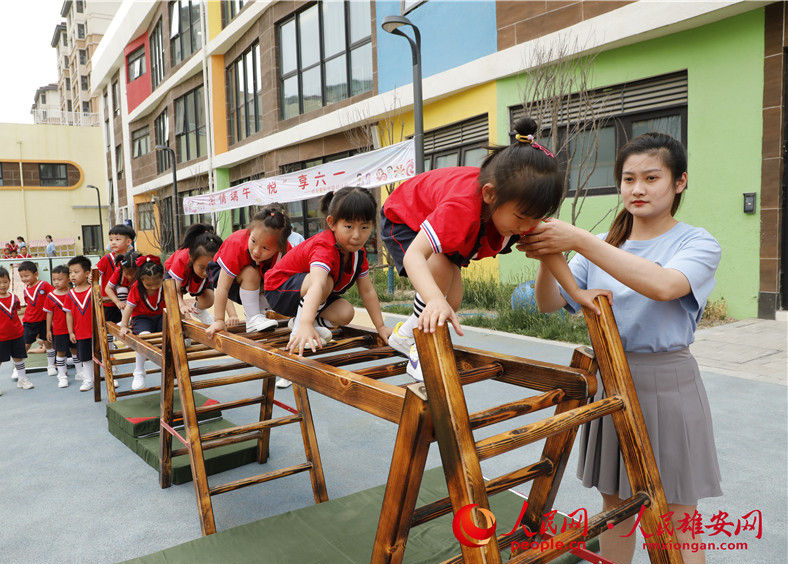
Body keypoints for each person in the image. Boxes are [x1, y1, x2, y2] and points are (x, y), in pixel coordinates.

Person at [522, 132, 722, 564]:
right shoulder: (601, 244)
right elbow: (550, 302)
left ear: (679, 182)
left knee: (674, 518)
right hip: (609, 383)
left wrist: (577, 239)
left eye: (652, 177)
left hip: (667, 385)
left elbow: (664, 285)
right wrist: (546, 252)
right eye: (628, 179)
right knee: (618, 512)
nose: (638, 188)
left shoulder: (697, 243)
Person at [380, 117, 608, 380]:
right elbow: (414, 255)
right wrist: (433, 300)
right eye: (522, 219)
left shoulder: (523, 209)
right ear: (489, 195)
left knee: (451, 300)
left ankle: (404, 335)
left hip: (455, 219)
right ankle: (423, 348)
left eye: (538, 217)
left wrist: (576, 292)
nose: (529, 227)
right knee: (440, 278)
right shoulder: (461, 208)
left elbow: (548, 248)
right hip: (406, 217)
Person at [264, 187, 393, 388]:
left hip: (310, 294)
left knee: (346, 312)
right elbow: (317, 283)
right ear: (332, 223)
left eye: (365, 227)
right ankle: (297, 335)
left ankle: (308, 321)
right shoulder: (325, 246)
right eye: (349, 227)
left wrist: (381, 326)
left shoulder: (358, 254)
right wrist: (305, 324)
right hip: (279, 289)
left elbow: (367, 291)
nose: (357, 235)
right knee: (325, 281)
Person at [205, 204, 292, 336]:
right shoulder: (236, 244)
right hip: (225, 276)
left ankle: (258, 312)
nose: (256, 251)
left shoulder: (285, 251)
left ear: (280, 248)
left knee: (280, 281)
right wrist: (218, 320)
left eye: (265, 248)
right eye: (253, 241)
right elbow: (222, 287)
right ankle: (253, 318)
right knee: (251, 273)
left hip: (260, 280)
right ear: (249, 231)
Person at [0, 267, 34, 396]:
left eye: (5, 282)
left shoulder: (14, 298)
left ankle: (22, 380)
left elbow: (15, 313)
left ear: (9, 281)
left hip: (16, 335)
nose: (2, 285)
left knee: (19, 358)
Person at [119, 255, 165, 390]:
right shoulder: (136, 287)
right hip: (142, 317)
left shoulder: (167, 285)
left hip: (161, 316)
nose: (152, 287)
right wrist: (123, 326)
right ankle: (139, 371)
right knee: (144, 337)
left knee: (167, 336)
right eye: (148, 284)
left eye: (157, 283)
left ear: (162, 277)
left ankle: (167, 366)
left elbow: (175, 305)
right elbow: (129, 308)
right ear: (141, 280)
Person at [164, 224, 223, 325]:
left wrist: (232, 315)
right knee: (177, 306)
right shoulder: (182, 259)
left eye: (209, 268)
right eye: (202, 267)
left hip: (195, 275)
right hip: (175, 279)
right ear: (192, 258)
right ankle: (183, 330)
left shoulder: (214, 263)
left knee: (209, 299)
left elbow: (223, 289)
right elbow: (176, 291)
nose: (205, 272)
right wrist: (182, 306)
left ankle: (198, 311)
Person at [97, 225, 136, 348]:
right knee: (107, 329)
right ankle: (110, 352)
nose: (113, 242)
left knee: (130, 326)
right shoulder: (107, 259)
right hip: (110, 301)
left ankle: (130, 345)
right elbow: (95, 275)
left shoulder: (134, 258)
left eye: (117, 239)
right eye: (111, 239)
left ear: (128, 241)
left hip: (129, 300)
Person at [17, 261, 55, 373]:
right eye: (21, 277)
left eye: (27, 275)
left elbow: (54, 296)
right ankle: (19, 368)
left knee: (48, 342)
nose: (24, 279)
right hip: (30, 321)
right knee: (25, 344)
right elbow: (29, 304)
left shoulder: (44, 285)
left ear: (36, 274)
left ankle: (51, 365)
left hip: (44, 321)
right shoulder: (26, 289)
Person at [65, 256, 95, 391]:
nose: (72, 275)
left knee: (102, 354)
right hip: (81, 332)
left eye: (76, 272)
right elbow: (69, 314)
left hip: (95, 331)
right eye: (70, 272)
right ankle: (88, 379)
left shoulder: (94, 290)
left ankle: (107, 377)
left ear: (87, 273)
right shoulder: (70, 294)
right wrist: (71, 331)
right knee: (85, 357)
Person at [43, 265, 72, 388]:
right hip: (59, 330)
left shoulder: (72, 293)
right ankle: (62, 376)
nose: (56, 282)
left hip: (73, 329)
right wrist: (48, 330)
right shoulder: (50, 296)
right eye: (54, 279)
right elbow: (49, 314)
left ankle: (80, 373)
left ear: (68, 279)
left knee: (75, 351)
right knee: (60, 352)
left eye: (60, 279)